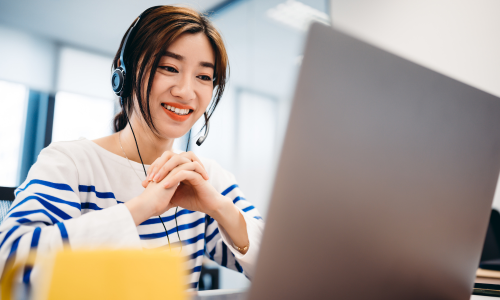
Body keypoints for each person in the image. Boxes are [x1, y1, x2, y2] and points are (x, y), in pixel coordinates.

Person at [0, 5, 263, 290]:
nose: (186, 91)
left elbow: (281, 268)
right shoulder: (73, 163)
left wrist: (220, 207)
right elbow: (9, 263)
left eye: (203, 77)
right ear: (124, 75)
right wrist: (141, 207)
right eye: (169, 68)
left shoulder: (204, 178)